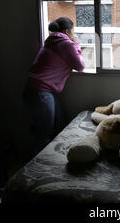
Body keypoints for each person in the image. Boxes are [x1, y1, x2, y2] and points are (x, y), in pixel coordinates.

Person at [24, 17, 85, 155]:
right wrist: (77, 45)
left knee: (59, 125)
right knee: (44, 134)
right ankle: (37, 170)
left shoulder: (52, 41)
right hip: (41, 92)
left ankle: (54, 159)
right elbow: (80, 66)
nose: (73, 35)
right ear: (67, 31)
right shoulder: (66, 44)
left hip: (34, 90)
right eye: (72, 32)